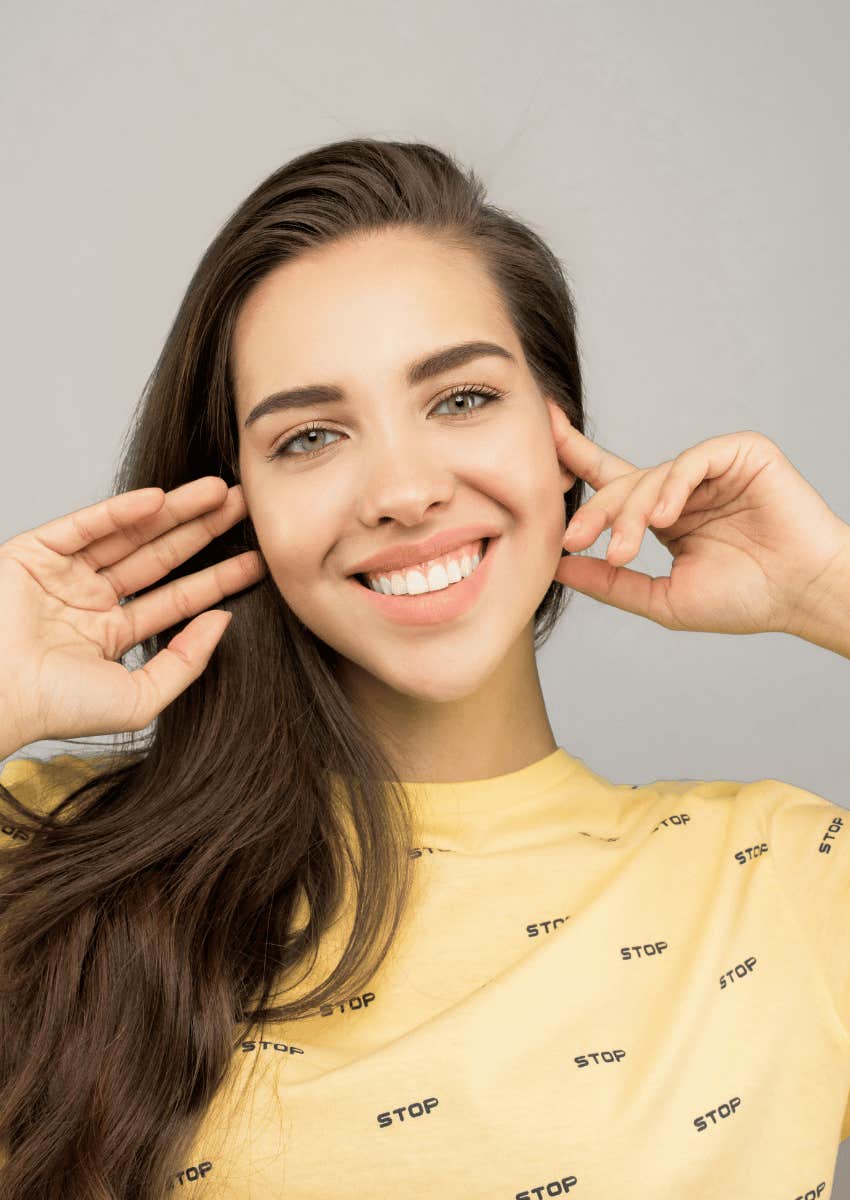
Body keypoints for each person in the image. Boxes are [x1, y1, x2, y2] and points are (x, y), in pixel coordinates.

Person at [1, 137, 849, 1200]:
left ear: (561, 437)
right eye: (310, 436)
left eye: (459, 400)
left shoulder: (787, 880)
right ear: (238, 502)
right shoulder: (46, 859)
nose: (402, 491)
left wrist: (831, 590)